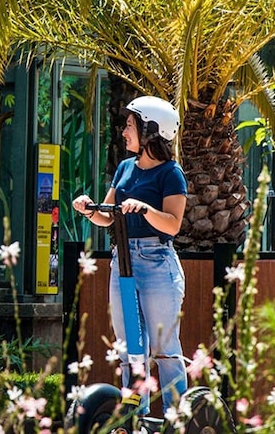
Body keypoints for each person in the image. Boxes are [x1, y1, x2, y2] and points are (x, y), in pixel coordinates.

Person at [72, 95, 188, 414]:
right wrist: (88, 208)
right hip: (122, 259)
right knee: (130, 350)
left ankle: (176, 417)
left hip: (156, 262)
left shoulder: (170, 173)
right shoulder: (125, 168)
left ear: (151, 130)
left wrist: (146, 209)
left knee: (164, 350)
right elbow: (108, 216)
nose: (124, 132)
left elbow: (173, 224)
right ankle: (136, 417)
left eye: (130, 125)